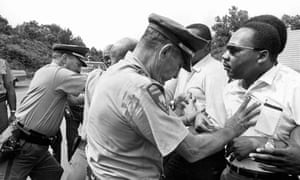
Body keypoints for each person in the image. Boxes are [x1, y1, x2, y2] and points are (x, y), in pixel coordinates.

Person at [85, 13, 260, 180]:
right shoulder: (141, 88)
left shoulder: (116, 71)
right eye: (179, 65)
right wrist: (232, 128)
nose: (176, 75)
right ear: (165, 52)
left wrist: (180, 114)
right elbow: (192, 150)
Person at [220, 20, 300, 180]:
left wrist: (261, 145)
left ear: (262, 56)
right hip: (230, 173)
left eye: (234, 51)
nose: (224, 56)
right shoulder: (230, 88)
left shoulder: (293, 86)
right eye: (226, 49)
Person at [0, 44, 88, 180]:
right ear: (64, 59)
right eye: (78, 64)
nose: (79, 70)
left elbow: (74, 101)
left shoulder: (45, 71)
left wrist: (92, 98)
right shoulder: (58, 74)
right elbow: (98, 82)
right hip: (24, 144)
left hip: (37, 146)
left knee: (53, 173)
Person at [65, 37, 137, 180]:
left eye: (110, 57)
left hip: (101, 152)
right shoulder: (98, 77)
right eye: (106, 58)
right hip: (92, 148)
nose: (108, 61)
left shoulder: (97, 77)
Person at [163, 23, 228, 180]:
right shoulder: (185, 70)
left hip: (203, 154)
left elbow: (218, 122)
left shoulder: (215, 72)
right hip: (182, 145)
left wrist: (196, 116)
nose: (186, 48)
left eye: (192, 43)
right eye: (184, 43)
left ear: (207, 46)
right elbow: (171, 101)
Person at [0, 59, 16, 133]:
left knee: (2, 136)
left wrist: (12, 113)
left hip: (1, 107)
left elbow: (10, 89)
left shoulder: (2, 63)